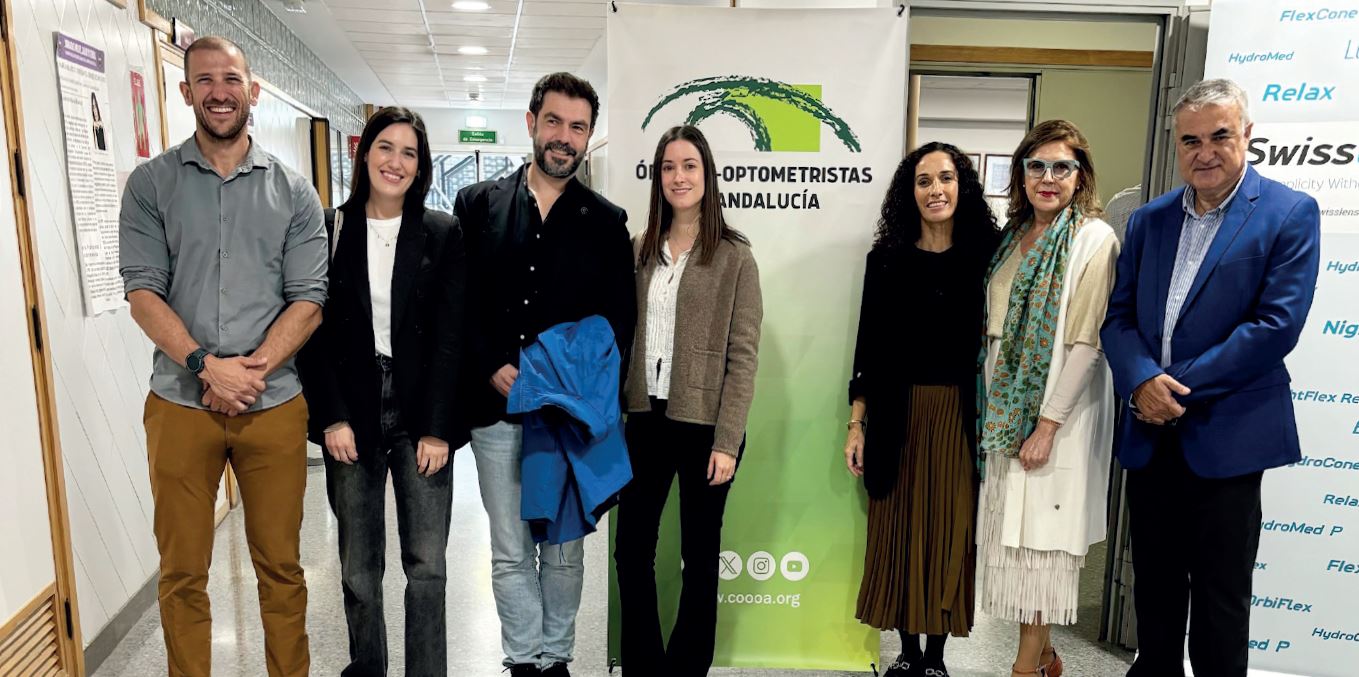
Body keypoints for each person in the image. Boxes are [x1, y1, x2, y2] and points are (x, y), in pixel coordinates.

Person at [118, 36, 325, 677]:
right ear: (186, 92)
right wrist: (207, 366)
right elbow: (143, 293)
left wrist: (248, 373)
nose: (219, 92)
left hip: (273, 403)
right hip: (182, 402)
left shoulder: (294, 192)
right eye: (204, 80)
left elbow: (309, 299)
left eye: (231, 79)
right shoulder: (151, 185)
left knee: (281, 569)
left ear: (252, 90)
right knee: (182, 572)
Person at [1101, 79, 1320, 677]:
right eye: (1190, 141)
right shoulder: (1148, 221)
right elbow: (1118, 319)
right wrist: (1141, 382)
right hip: (1150, 435)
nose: (1204, 153)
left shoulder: (1288, 213)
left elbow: (1275, 327)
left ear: (1247, 134)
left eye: (1219, 136)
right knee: (1155, 588)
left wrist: (1171, 387)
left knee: (1222, 599)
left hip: (1228, 435)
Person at [455, 72, 635, 677]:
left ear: (589, 136)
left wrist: (574, 390)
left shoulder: (606, 222)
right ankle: (524, 662)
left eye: (578, 127)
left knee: (562, 552)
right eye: (554, 121)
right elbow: (460, 303)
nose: (564, 136)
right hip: (498, 411)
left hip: (566, 417)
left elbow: (618, 325)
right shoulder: (477, 205)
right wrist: (491, 365)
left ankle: (556, 659)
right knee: (510, 550)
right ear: (531, 122)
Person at [296, 106, 465, 677]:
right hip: (353, 410)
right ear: (364, 152)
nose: (396, 162)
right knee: (359, 570)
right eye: (386, 147)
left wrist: (438, 428)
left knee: (428, 567)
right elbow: (311, 330)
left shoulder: (441, 232)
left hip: (420, 415)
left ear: (421, 167)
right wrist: (332, 417)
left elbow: (450, 338)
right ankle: (367, 668)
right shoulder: (329, 228)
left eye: (409, 153)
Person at [845, 142, 999, 677]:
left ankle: (936, 657)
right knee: (900, 531)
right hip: (897, 414)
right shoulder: (886, 259)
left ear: (963, 186)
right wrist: (856, 423)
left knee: (948, 531)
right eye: (924, 180)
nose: (936, 190)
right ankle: (907, 654)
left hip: (959, 417)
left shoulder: (988, 257)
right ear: (909, 193)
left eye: (946, 178)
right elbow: (868, 347)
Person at [613, 125, 763, 677]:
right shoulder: (640, 249)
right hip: (644, 419)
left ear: (707, 174)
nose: (678, 177)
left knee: (699, 557)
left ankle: (686, 668)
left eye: (689, 165)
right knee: (631, 552)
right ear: (658, 177)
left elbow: (743, 355)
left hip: (706, 428)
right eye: (668, 167)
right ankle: (644, 667)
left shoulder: (735, 256)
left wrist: (727, 440)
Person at [975, 120, 1120, 677]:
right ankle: (1046, 658)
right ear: (1020, 174)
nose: (1048, 177)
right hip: (1003, 408)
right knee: (1015, 548)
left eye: (1062, 167)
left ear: (1081, 175)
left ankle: (1024, 668)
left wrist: (1047, 424)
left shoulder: (1093, 239)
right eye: (1036, 166)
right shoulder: (1011, 236)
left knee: (1041, 550)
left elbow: (1086, 344)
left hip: (1057, 414)